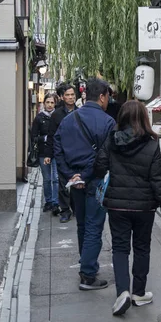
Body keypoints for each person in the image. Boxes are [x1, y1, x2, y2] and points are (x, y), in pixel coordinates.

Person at [94, 99, 161, 316]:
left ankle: (123, 292)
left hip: (117, 206)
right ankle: (138, 292)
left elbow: (99, 166)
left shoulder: (112, 141)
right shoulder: (151, 143)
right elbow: (159, 179)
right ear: (144, 118)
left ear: (121, 118)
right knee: (142, 248)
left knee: (120, 248)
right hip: (144, 208)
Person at [54, 78, 115, 290]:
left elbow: (57, 147)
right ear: (101, 96)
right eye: (108, 96)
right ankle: (88, 275)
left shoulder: (69, 120)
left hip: (75, 182)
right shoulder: (107, 122)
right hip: (96, 182)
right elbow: (105, 157)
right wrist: (85, 175)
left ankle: (87, 262)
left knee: (82, 224)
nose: (108, 100)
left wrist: (71, 175)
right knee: (94, 226)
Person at [43, 84, 77, 222]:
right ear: (62, 97)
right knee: (62, 183)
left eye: (72, 95)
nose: (70, 97)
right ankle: (65, 210)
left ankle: (76, 208)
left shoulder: (80, 112)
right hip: (61, 153)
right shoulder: (57, 114)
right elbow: (51, 136)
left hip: (77, 153)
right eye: (67, 95)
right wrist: (48, 154)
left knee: (76, 182)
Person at [31, 94, 58, 213]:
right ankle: (49, 201)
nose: (50, 105)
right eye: (48, 102)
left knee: (56, 178)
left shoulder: (58, 116)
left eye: (52, 102)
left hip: (57, 152)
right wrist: (45, 138)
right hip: (43, 152)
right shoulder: (39, 118)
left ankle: (56, 202)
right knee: (47, 179)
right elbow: (33, 137)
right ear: (44, 103)